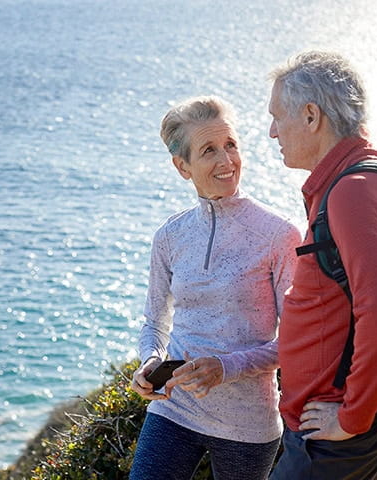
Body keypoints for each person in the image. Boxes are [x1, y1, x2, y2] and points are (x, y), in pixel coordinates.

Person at [127, 96, 301, 480]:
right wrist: (149, 361)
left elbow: (293, 341)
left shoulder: (279, 235)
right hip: (174, 407)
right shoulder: (170, 236)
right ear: (182, 167)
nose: (227, 161)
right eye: (209, 151)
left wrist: (225, 368)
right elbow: (155, 320)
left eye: (231, 145)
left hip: (247, 422)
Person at [265, 51, 377, 479]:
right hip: (342, 420)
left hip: (336, 434)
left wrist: (352, 418)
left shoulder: (353, 192)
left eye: (278, 117)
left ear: (311, 116)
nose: (272, 131)